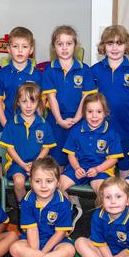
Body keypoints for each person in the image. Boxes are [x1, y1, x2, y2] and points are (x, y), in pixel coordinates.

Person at [4, 157, 76, 257]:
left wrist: (40, 253)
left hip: (55, 242)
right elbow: (32, 230)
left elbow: (59, 234)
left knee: (69, 250)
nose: (43, 186)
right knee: (14, 248)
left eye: (49, 181)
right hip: (31, 241)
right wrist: (39, 253)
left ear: (58, 183)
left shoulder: (63, 203)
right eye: (38, 181)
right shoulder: (27, 201)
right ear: (31, 182)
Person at [42, 25, 97, 168]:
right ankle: (58, 190)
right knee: (57, 161)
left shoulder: (84, 70)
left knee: (75, 160)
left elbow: (86, 98)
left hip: (78, 120)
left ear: (75, 45)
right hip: (56, 120)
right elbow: (51, 97)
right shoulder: (49, 70)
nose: (64, 48)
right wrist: (60, 119)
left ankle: (69, 188)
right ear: (54, 47)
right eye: (60, 44)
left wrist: (77, 118)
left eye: (69, 44)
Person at [91, 25, 129, 178]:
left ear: (127, 45)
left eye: (119, 43)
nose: (115, 48)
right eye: (110, 43)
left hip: (125, 129)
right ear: (103, 46)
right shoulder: (95, 70)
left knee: (125, 169)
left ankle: (125, 200)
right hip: (101, 129)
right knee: (101, 169)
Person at [0, 82, 56, 203]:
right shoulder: (11, 124)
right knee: (19, 182)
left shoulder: (44, 124)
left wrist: (35, 163)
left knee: (44, 182)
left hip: (38, 164)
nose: (28, 106)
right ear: (18, 103)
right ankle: (24, 208)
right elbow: (10, 149)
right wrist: (23, 165)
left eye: (33, 101)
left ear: (39, 103)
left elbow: (46, 148)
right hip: (17, 164)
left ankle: (41, 207)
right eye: (24, 101)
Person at [59, 93, 124, 198]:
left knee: (105, 193)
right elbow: (71, 155)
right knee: (57, 187)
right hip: (78, 167)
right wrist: (77, 168)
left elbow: (114, 159)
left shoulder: (112, 133)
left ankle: (102, 214)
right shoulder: (76, 130)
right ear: (84, 113)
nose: (94, 116)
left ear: (105, 113)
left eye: (99, 112)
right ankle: (69, 209)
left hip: (101, 170)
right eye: (90, 112)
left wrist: (97, 169)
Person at [0, 26, 41, 133]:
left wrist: (38, 122)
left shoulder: (37, 75)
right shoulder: (2, 74)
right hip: (7, 125)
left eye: (25, 46)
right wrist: (5, 124)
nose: (20, 50)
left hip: (30, 127)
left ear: (31, 49)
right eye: (15, 46)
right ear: (8, 49)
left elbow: (40, 102)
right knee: (6, 150)